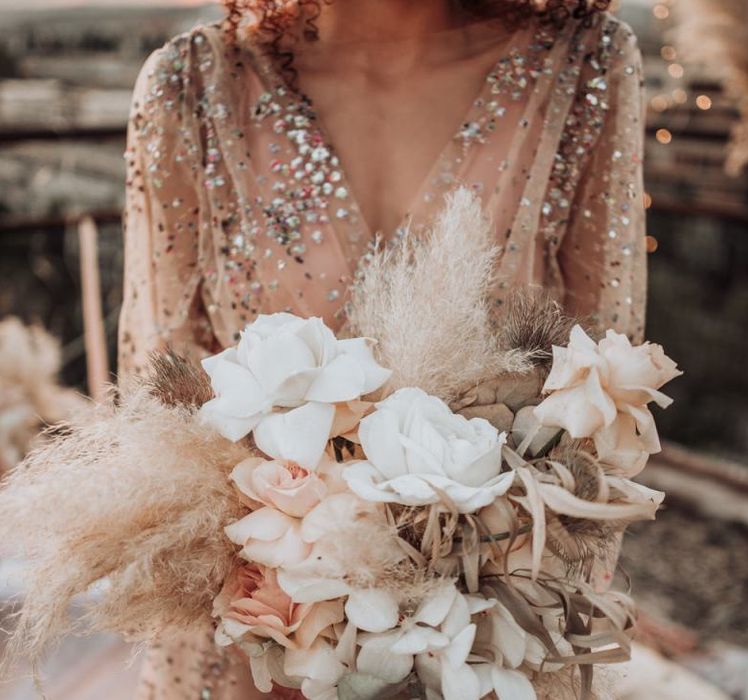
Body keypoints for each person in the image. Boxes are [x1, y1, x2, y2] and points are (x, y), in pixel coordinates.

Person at [119, 0, 647, 697]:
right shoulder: (189, 85)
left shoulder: (586, 65)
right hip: (263, 646)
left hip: (490, 654)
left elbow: (605, 405)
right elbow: (162, 414)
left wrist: (515, 619)